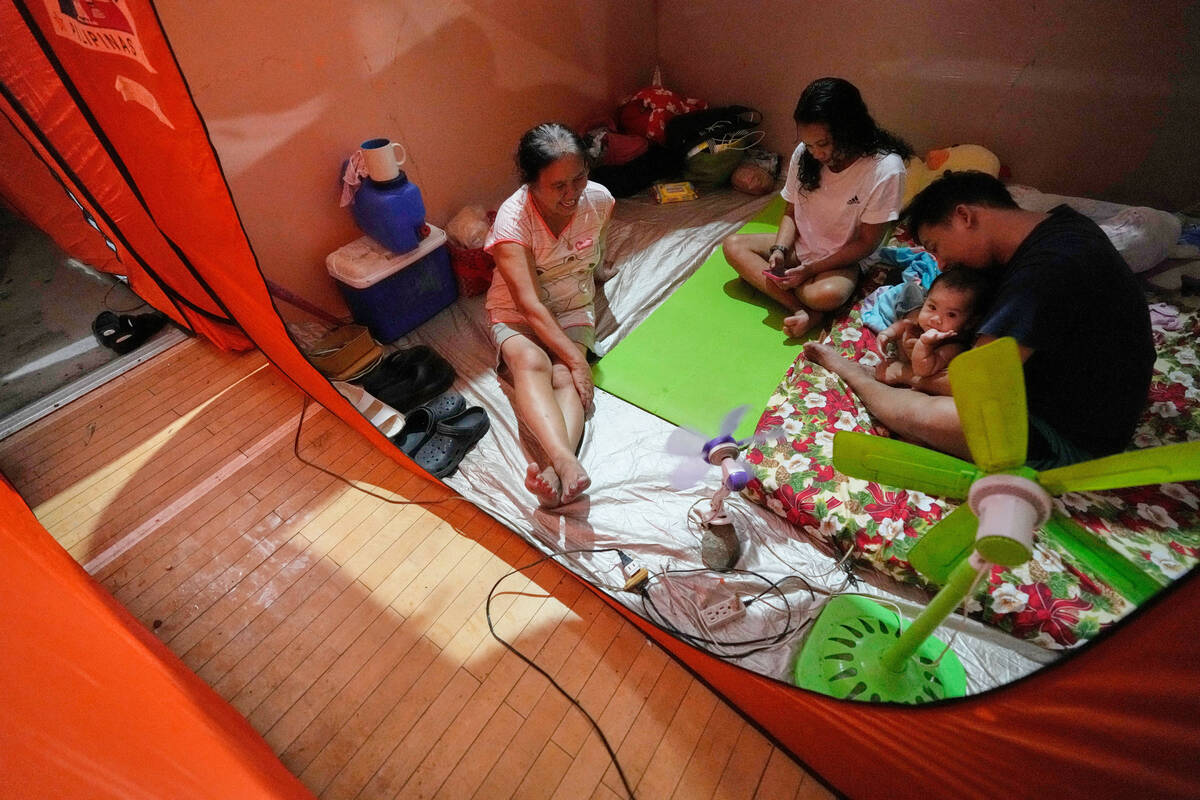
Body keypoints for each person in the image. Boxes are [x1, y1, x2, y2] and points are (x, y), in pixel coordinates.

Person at [805, 170, 1154, 467]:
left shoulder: (1045, 270)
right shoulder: (1060, 226)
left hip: (1071, 436)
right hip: (1061, 387)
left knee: (933, 415)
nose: (941, 264)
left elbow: (975, 386)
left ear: (965, 217)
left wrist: (907, 375)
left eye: (936, 247)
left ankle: (859, 377)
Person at [484, 123, 615, 507]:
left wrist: (598, 270)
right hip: (518, 310)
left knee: (563, 376)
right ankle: (564, 461)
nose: (572, 193)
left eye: (579, 178)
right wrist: (578, 360)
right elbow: (530, 306)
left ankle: (558, 472)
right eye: (558, 186)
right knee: (532, 362)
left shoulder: (600, 200)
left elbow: (596, 243)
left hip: (573, 303)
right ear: (531, 183)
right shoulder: (513, 222)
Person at [722, 77, 912, 338]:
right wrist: (779, 250)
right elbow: (790, 212)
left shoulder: (885, 168)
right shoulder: (805, 154)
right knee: (733, 245)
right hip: (803, 245)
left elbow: (867, 243)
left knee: (826, 295)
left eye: (822, 144)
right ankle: (801, 309)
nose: (815, 153)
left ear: (849, 130)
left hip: (844, 256)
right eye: (809, 144)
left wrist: (810, 270)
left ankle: (798, 295)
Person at [874, 268, 992, 392]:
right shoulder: (923, 321)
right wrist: (887, 334)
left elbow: (922, 371)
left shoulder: (952, 347)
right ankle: (913, 294)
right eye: (932, 307)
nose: (936, 319)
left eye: (951, 314)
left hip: (914, 362)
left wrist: (924, 344)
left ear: (969, 323)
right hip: (914, 311)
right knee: (909, 293)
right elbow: (903, 324)